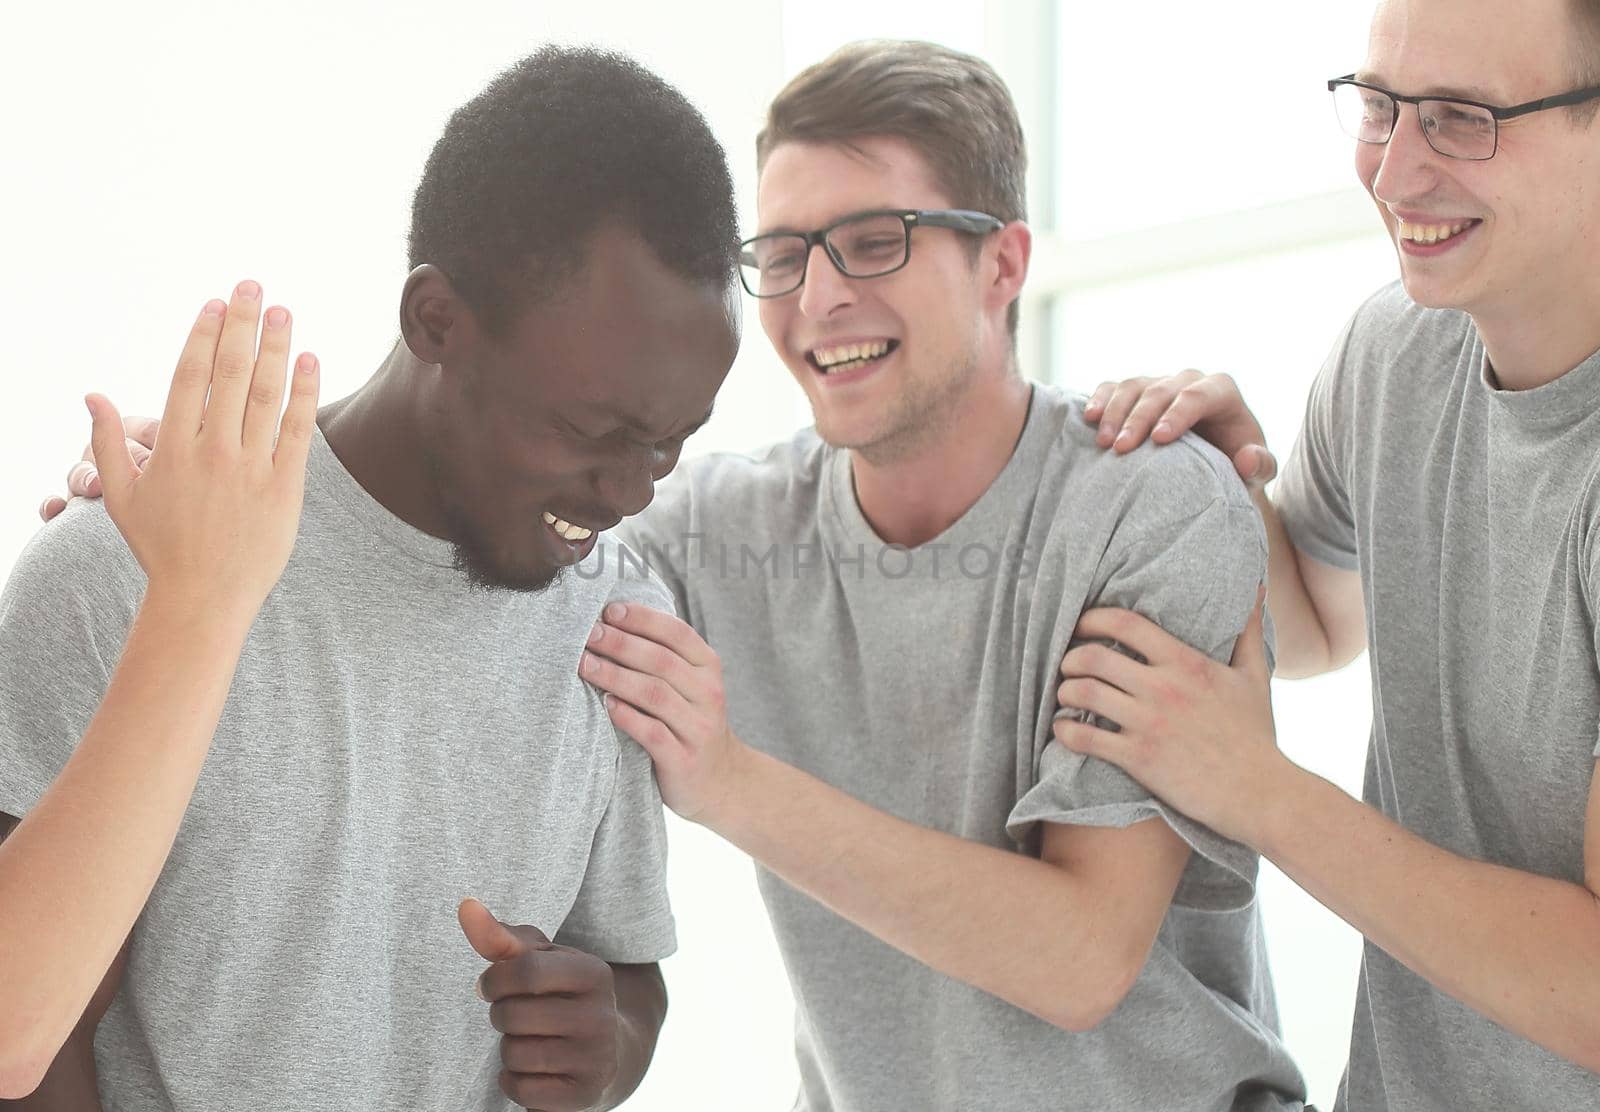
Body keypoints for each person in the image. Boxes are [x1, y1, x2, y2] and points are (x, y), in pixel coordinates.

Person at [42, 40, 1311, 1112]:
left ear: (1004, 264)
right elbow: (459, 485)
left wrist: (726, 786)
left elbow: (1084, 956)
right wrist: (215, 480)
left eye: (874, 240)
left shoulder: (1153, 499)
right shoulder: (696, 533)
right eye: (787, 249)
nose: (819, 295)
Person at [1, 46, 739, 1111]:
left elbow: (625, 970)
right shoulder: (122, 580)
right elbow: (29, 1043)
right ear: (436, 321)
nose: (630, 491)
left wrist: (608, 1039)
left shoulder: (617, 624)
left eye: (669, 444)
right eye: (591, 430)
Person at [1046, 0, 1600, 1108]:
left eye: (1459, 118)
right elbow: (1320, 627)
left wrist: (1259, 792)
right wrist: (1233, 484)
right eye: (1381, 105)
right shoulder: (1395, 345)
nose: (1394, 173)